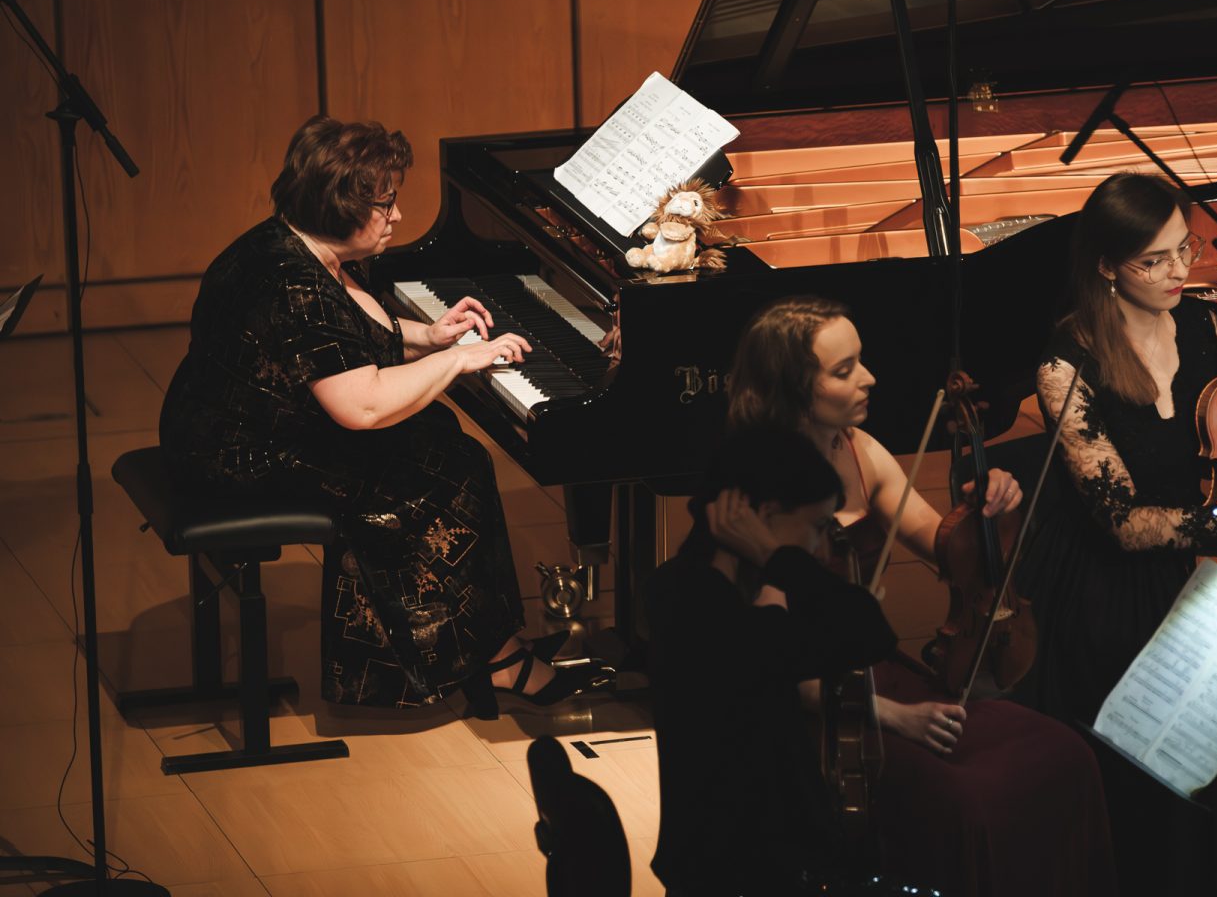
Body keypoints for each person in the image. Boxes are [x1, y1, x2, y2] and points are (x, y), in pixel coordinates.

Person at [159, 115, 605, 713]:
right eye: (385, 203)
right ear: (339, 206)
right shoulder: (293, 284)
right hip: (237, 457)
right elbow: (363, 407)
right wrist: (460, 359)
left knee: (441, 439)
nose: (396, 215)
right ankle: (487, 662)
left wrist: (431, 336)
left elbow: (339, 341)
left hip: (233, 426)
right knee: (444, 468)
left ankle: (489, 648)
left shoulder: (286, 243)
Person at [727, 296, 1118, 897]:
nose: (869, 378)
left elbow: (948, 550)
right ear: (792, 390)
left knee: (1065, 756)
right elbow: (771, 666)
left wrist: (988, 505)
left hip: (872, 674)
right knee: (966, 800)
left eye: (862, 360)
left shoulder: (858, 449)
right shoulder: (756, 494)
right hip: (810, 709)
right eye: (844, 370)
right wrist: (896, 716)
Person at [1024, 171, 1217, 895]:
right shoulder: (1066, 367)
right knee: (1167, 796)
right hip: (1116, 595)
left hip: (1210, 569)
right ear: (1107, 266)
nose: (1177, 271)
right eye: (1153, 260)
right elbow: (1125, 525)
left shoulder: (1205, 329)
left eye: (1184, 249)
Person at [646, 427, 896, 896]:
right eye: (817, 527)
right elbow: (870, 632)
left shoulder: (681, 589)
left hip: (726, 867)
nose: (820, 549)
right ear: (763, 516)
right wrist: (771, 552)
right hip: (750, 876)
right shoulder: (717, 617)